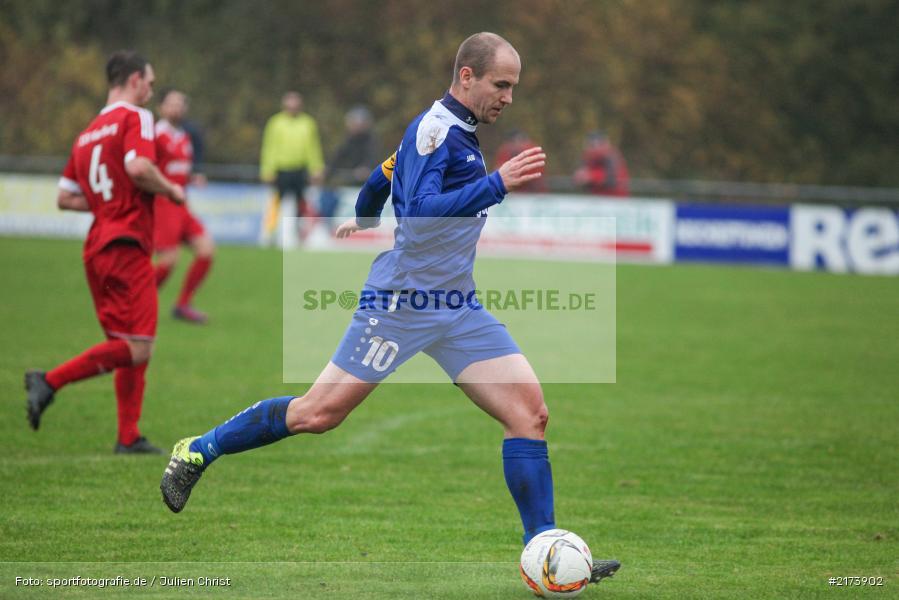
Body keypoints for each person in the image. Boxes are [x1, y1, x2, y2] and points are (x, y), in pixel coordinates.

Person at [160, 33, 620, 586]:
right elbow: (423, 212)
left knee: (530, 415)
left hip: (457, 305)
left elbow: (383, 174)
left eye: (514, 87)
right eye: (502, 85)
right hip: (401, 303)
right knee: (317, 415)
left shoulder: (459, 133)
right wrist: (496, 184)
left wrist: (367, 213)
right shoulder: (436, 130)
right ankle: (198, 450)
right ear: (467, 77)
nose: (509, 98)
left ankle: (545, 552)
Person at [25, 50, 185, 453]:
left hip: (97, 246)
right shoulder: (136, 117)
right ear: (133, 80)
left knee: (125, 342)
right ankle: (50, 380)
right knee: (139, 346)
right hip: (127, 244)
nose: (151, 89)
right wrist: (171, 190)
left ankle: (128, 436)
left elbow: (65, 197)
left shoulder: (88, 131)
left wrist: (107, 206)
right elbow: (138, 168)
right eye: (149, 81)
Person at [153, 89, 215, 324]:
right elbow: (145, 169)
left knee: (206, 250)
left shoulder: (185, 137)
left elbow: (178, 169)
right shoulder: (155, 135)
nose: (177, 108)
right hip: (162, 204)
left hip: (181, 205)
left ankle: (182, 304)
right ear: (160, 108)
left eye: (180, 104)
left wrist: (193, 177)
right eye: (172, 104)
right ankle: (136, 302)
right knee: (169, 261)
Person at [258, 91, 325, 244]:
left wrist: (316, 167)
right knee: (275, 204)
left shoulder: (307, 123)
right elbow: (269, 147)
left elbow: (313, 148)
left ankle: (299, 234)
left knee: (301, 204)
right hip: (281, 170)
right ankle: (270, 234)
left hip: (300, 170)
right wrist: (267, 170)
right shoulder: (275, 123)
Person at [318, 106, 379, 229]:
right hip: (347, 181)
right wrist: (325, 172)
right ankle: (326, 226)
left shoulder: (371, 142)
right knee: (326, 195)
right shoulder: (348, 141)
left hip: (364, 184)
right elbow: (336, 159)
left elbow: (373, 162)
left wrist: (366, 169)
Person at [573, 131, 630, 197]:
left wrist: (591, 176)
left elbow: (612, 182)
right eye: (590, 145)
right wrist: (579, 179)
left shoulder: (612, 157)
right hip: (596, 200)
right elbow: (580, 181)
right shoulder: (587, 158)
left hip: (616, 201)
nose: (592, 149)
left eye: (594, 145)